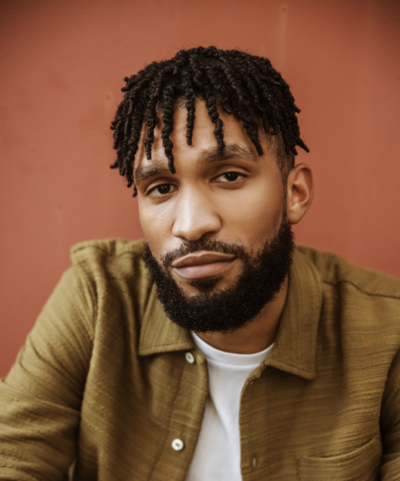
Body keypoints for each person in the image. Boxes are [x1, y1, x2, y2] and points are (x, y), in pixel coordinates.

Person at [1, 46, 399, 481]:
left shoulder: (386, 332)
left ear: (294, 194)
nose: (190, 225)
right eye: (160, 187)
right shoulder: (98, 296)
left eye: (229, 175)